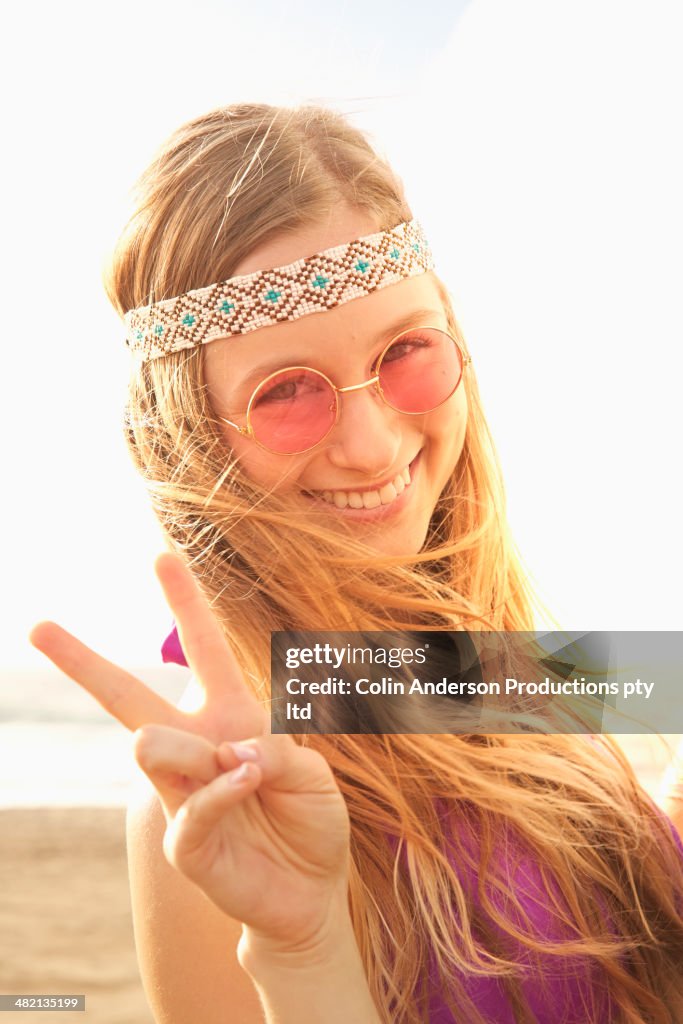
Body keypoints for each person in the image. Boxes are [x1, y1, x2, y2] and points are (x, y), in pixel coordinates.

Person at [30, 104, 683, 1024]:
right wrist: (300, 953)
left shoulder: (488, 673)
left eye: (404, 351)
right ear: (191, 441)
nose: (373, 448)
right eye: (285, 392)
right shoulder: (220, 811)